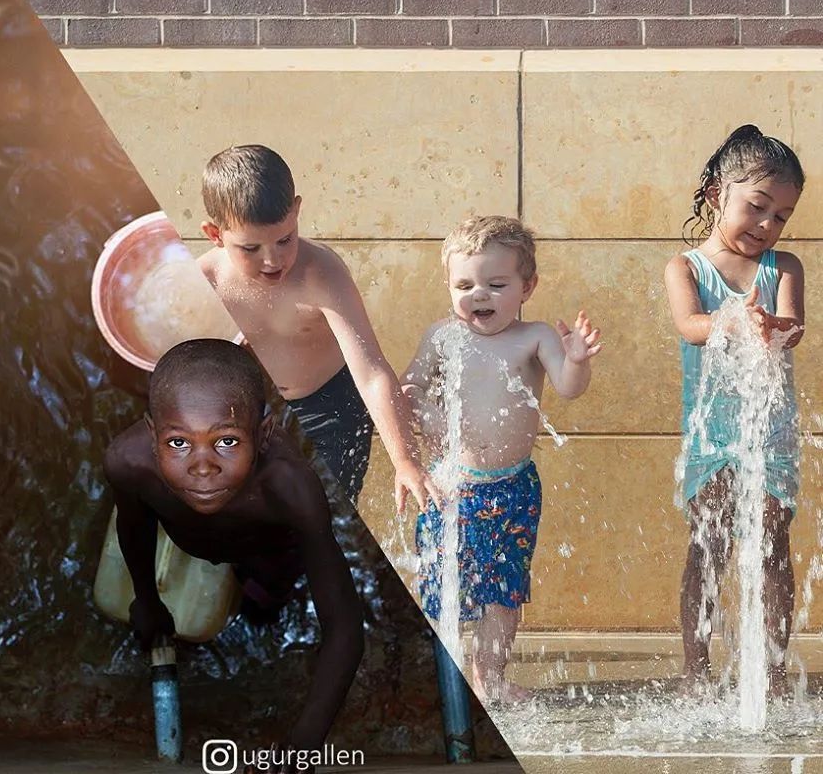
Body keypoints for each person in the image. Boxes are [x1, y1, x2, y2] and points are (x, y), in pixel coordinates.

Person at [103, 339, 364, 769]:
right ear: (152, 434)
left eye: (225, 442)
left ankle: (264, 597)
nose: (203, 467)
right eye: (178, 443)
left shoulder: (290, 490)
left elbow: (345, 628)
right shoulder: (128, 464)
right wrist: (146, 599)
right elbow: (134, 525)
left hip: (266, 549)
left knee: (270, 592)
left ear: (264, 434)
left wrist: (303, 744)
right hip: (188, 534)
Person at [402, 216, 601, 704]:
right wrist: (422, 416)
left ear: (526, 286)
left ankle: (488, 678)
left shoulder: (534, 337)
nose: (479, 296)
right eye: (464, 285)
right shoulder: (441, 337)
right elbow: (407, 389)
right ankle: (439, 679)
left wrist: (576, 359)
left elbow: (568, 389)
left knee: (504, 593)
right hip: (451, 487)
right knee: (442, 586)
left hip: (512, 486)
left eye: (496, 284)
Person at [197, 144, 436, 511]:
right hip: (253, 416)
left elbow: (371, 372)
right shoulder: (204, 283)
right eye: (250, 249)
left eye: (284, 239)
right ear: (215, 234)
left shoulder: (321, 273)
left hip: (331, 410)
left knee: (321, 518)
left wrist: (405, 460)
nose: (273, 259)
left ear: (296, 212)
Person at [664, 124, 805, 694]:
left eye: (782, 216)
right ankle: (695, 672)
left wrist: (775, 327)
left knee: (773, 542)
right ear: (715, 193)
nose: (768, 226)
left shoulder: (784, 266)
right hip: (710, 432)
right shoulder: (686, 268)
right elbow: (689, 325)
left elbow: (794, 327)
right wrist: (731, 319)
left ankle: (770, 671)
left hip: (768, 433)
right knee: (709, 543)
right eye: (757, 207)